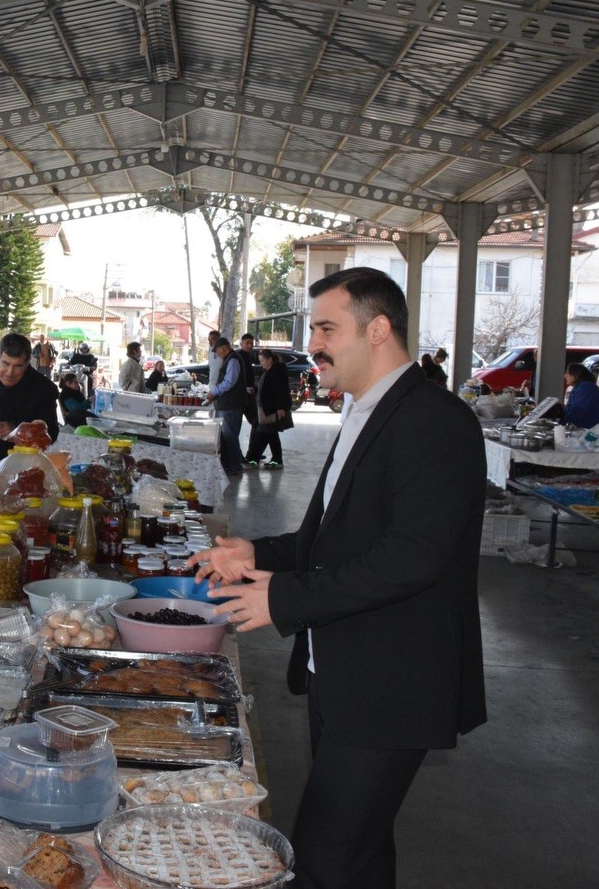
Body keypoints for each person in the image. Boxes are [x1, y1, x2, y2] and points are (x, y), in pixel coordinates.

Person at [188, 267, 486, 889]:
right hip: (343, 673)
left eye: (327, 329)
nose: (314, 345)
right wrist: (256, 552)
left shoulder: (435, 419)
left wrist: (283, 598)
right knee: (361, 855)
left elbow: (413, 557)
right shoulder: (364, 411)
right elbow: (324, 539)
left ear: (378, 330)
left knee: (324, 860)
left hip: (392, 686)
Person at [0, 332, 61, 480]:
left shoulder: (44, 389)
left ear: (28, 363)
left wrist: (18, 431)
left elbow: (51, 434)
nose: (9, 373)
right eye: (5, 363)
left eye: (18, 366)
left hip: (19, 469)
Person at [204, 336, 248, 476]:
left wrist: (214, 392)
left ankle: (235, 466)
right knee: (226, 436)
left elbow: (229, 382)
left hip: (231, 405)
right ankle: (229, 465)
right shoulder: (229, 359)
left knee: (230, 437)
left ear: (224, 349)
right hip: (226, 404)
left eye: (217, 352)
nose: (217, 355)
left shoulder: (233, 360)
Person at [244, 348, 294, 468]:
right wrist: (254, 390)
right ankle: (277, 460)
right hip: (267, 409)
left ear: (270, 359)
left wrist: (280, 408)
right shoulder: (269, 370)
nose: (261, 363)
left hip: (271, 410)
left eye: (262, 361)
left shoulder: (276, 371)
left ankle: (253, 460)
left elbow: (279, 390)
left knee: (264, 433)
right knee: (271, 434)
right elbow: (266, 387)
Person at [561, 362, 599, 429]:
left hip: (592, 431)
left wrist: (559, 420)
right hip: (590, 429)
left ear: (576, 375)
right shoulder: (583, 387)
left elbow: (575, 413)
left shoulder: (586, 388)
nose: (565, 376)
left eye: (567, 373)